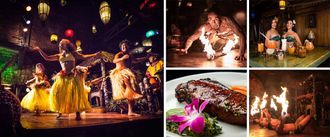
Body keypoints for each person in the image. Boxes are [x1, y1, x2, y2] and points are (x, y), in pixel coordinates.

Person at [33, 39, 100, 120]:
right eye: (60, 44)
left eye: (62, 43)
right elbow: (47, 58)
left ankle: (77, 113)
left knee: (75, 94)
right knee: (58, 93)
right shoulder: (59, 55)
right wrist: (39, 49)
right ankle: (59, 111)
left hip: (72, 76)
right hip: (63, 77)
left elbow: (83, 56)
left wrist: (95, 54)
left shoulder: (73, 53)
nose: (60, 44)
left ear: (67, 45)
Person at [179, 11, 246, 61]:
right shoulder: (206, 26)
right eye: (211, 20)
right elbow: (192, 38)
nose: (215, 22)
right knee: (212, 36)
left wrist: (241, 53)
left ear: (219, 17)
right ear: (209, 20)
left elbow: (241, 34)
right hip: (221, 40)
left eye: (216, 19)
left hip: (233, 39)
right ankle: (215, 52)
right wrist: (185, 49)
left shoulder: (226, 20)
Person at [110, 40, 143, 116]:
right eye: (122, 46)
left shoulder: (130, 55)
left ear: (128, 46)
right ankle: (131, 93)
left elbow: (136, 60)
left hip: (127, 72)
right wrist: (122, 58)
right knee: (127, 80)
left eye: (125, 45)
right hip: (120, 73)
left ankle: (130, 111)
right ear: (121, 47)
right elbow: (114, 61)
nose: (124, 47)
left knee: (130, 88)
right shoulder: (119, 54)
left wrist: (146, 57)